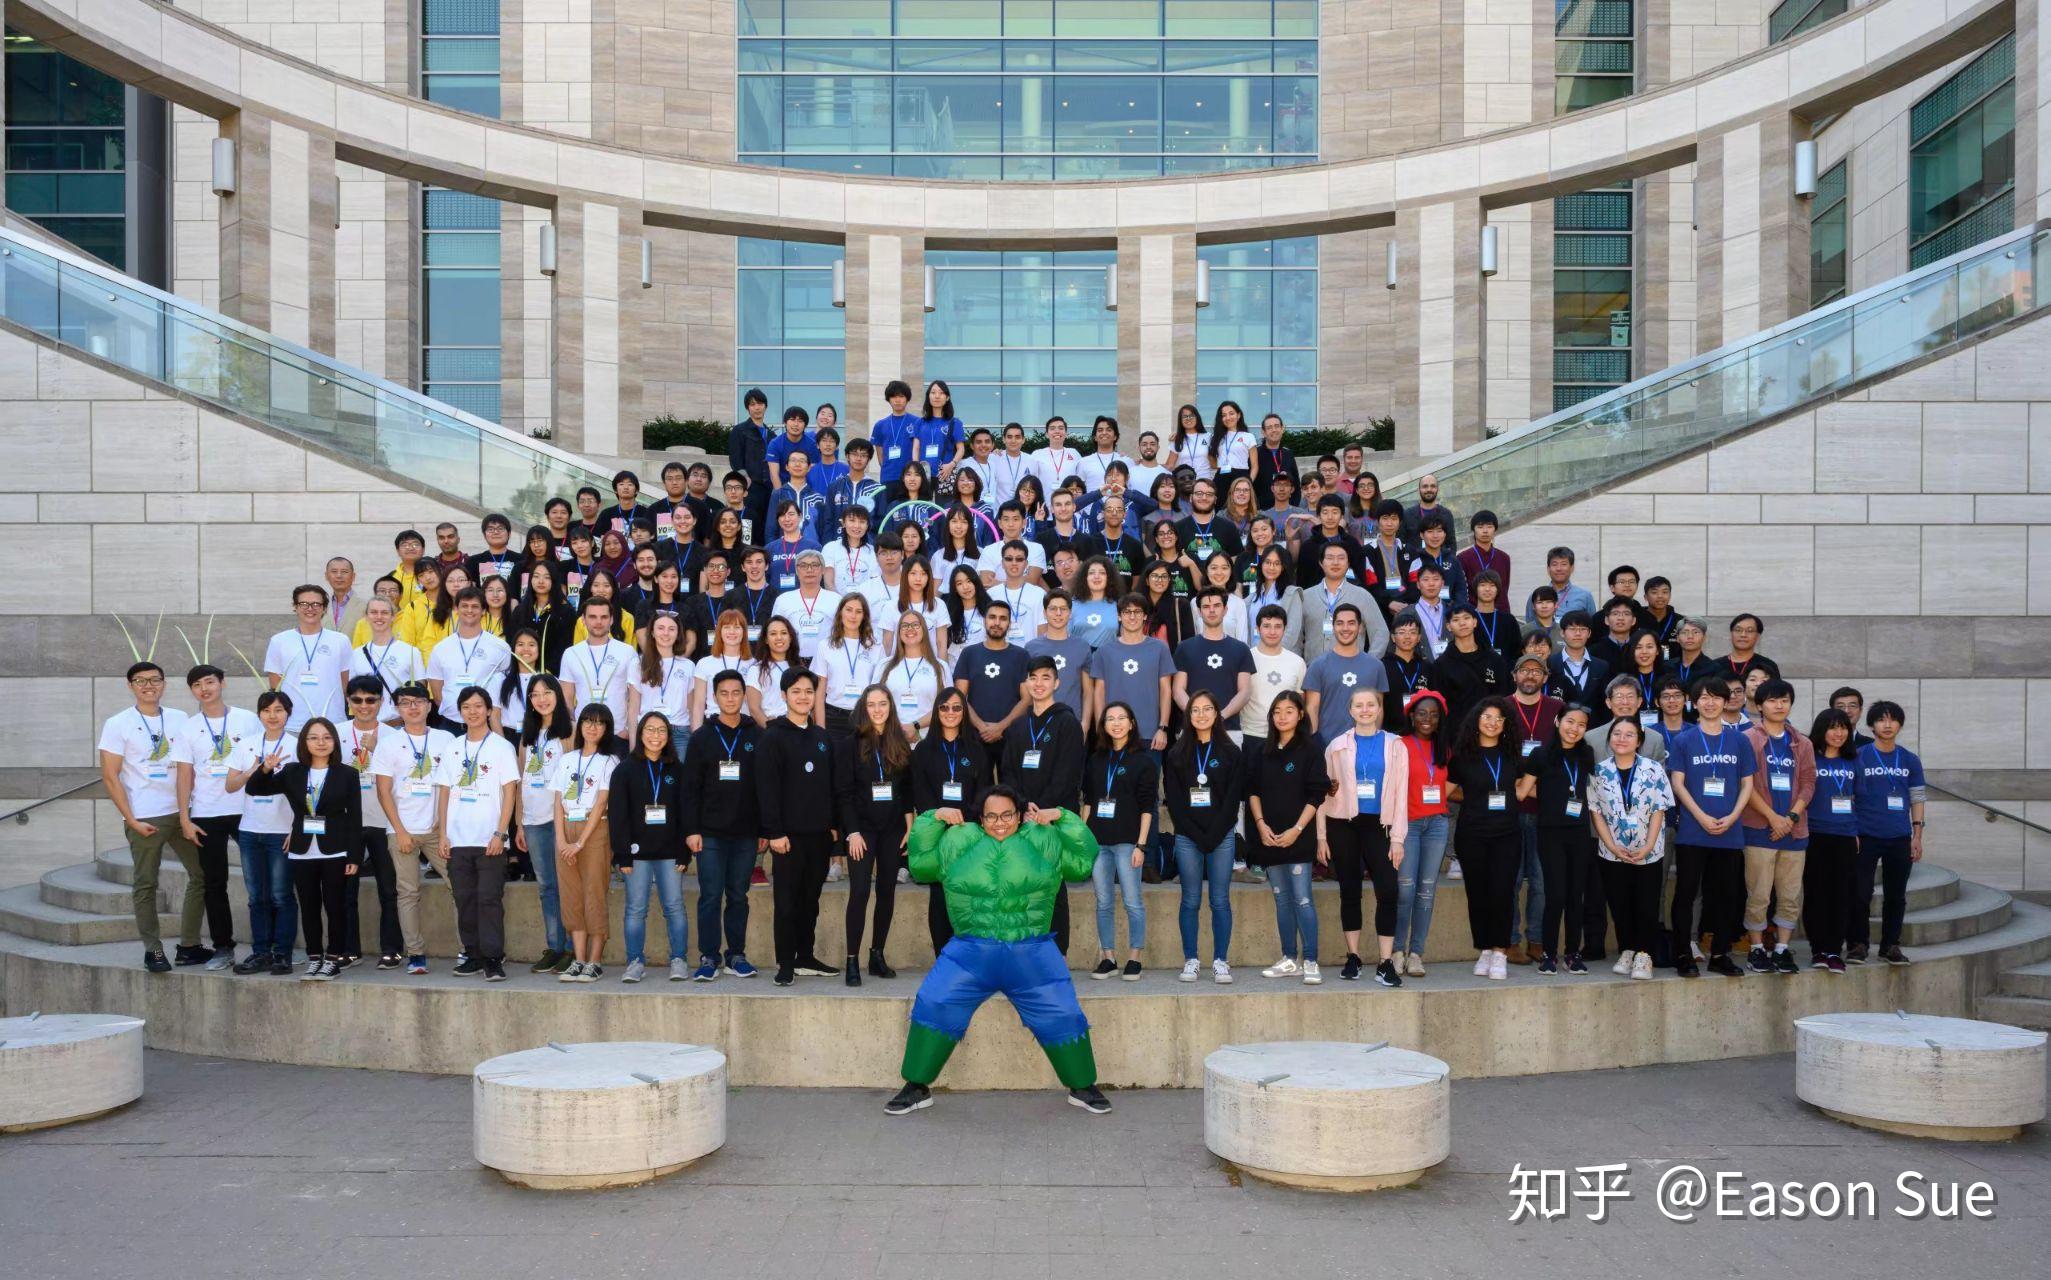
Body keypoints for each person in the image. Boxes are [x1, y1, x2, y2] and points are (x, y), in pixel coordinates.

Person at [888, 790, 1108, 1116]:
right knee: (934, 1002)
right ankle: (916, 1086)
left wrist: (1064, 817)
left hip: (1032, 951)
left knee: (1063, 1012)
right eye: (991, 816)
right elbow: (920, 866)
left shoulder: (1043, 839)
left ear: (1019, 815)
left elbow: (1082, 862)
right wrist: (932, 818)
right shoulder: (957, 841)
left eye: (1007, 815)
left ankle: (1083, 1086)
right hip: (971, 951)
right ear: (980, 819)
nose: (999, 823)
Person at [99, 661, 201, 973]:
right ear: (130, 685)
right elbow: (110, 777)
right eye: (141, 681)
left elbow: (189, 764)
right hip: (144, 816)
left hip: (181, 812)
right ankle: (153, 950)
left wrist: (189, 811)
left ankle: (189, 946)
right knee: (146, 884)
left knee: (202, 876)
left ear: (164, 684)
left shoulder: (179, 718)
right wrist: (130, 819)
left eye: (155, 680)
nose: (148, 686)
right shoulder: (118, 723)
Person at [245, 717, 362, 982]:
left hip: (335, 850)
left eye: (326, 737)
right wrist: (266, 768)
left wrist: (355, 855)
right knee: (309, 907)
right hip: (301, 849)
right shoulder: (292, 771)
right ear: (304, 742)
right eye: (313, 737)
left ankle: (333, 959)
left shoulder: (347, 773)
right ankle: (314, 958)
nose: (321, 743)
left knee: (335, 906)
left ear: (335, 742)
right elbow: (255, 789)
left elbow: (355, 818)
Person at [1315, 688, 1410, 985]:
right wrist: (1321, 837)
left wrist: (1398, 838)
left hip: (1380, 825)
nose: (1365, 709)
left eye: (1371, 704)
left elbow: (1401, 795)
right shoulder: (1336, 746)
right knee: (1349, 889)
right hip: (1343, 824)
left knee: (1388, 890)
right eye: (1359, 705)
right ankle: (1353, 957)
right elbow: (1323, 792)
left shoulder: (1396, 745)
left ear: (1380, 708)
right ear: (1351, 710)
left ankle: (1385, 962)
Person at [171, 664, 260, 971]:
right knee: (214, 882)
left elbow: (261, 761)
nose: (204, 689)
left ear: (223, 683)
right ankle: (223, 947)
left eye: (209, 682)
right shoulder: (188, 728)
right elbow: (184, 775)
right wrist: (185, 818)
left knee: (259, 881)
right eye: (197, 685)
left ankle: (270, 946)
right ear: (192, 691)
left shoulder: (247, 719)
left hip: (247, 809)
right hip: (207, 812)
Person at [1666, 678, 1756, 979]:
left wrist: (1732, 816)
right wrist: (1701, 816)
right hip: (1693, 830)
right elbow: (1677, 783)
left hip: (1730, 831)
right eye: (1703, 697)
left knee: (1726, 895)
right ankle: (1683, 954)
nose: (1710, 702)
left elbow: (1747, 784)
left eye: (1716, 697)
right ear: (1694, 703)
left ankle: (1720, 954)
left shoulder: (1740, 740)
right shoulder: (1684, 740)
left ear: (1726, 702)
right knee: (1686, 893)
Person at [757, 669, 841, 985]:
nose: (803, 697)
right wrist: (775, 832)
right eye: (796, 691)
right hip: (787, 838)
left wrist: (833, 827)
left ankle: (805, 956)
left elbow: (831, 786)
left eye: (808, 691)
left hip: (818, 836)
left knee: (810, 901)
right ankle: (785, 963)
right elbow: (766, 789)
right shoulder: (772, 737)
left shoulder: (822, 738)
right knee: (787, 903)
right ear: (784, 695)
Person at [679, 670, 763, 982]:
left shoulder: (756, 735)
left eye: (736, 693)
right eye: (724, 693)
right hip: (710, 833)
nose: (730, 698)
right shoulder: (702, 737)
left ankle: (736, 955)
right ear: (714, 697)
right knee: (711, 896)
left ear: (744, 696)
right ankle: (709, 956)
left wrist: (764, 830)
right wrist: (692, 830)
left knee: (738, 896)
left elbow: (765, 787)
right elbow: (690, 788)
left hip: (746, 833)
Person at [432, 686, 520, 981]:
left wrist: (500, 834)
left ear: (488, 710)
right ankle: (472, 955)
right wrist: (443, 834)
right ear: (460, 712)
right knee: (465, 899)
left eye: (479, 706)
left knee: (489, 899)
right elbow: (445, 792)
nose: (473, 711)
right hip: (457, 839)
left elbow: (510, 793)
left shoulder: (501, 747)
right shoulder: (452, 747)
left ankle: (493, 958)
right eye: (467, 707)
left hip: (489, 839)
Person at [998, 656, 1085, 952]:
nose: (1038, 683)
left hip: (1052, 820)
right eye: (1033, 677)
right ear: (1026, 683)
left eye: (1045, 677)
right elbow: (1008, 771)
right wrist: (1022, 807)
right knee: (1023, 886)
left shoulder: (1067, 723)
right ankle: (1027, 951)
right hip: (1022, 819)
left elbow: (1067, 774)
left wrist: (1042, 810)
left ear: (1056, 683)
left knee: (1052, 888)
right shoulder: (1018, 727)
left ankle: (1056, 954)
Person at [836, 687, 916, 984]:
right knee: (859, 892)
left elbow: (906, 789)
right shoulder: (850, 745)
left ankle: (876, 955)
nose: (878, 710)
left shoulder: (900, 742)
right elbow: (844, 793)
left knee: (887, 892)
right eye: (871, 705)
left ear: (891, 707)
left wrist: (909, 826)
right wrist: (852, 832)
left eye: (883, 704)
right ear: (863, 708)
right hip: (862, 831)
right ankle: (852, 960)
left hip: (892, 829)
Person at [1247, 692, 1328, 983]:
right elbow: (1252, 790)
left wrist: (1297, 830)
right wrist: (1260, 826)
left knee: (1302, 899)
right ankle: (1289, 958)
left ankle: (1311, 960)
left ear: (1300, 714)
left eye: (1289, 711)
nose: (1282, 716)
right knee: (1281, 899)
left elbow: (1316, 794)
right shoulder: (1262, 750)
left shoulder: (1311, 749)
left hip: (1298, 837)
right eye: (1277, 711)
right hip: (1269, 838)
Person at [1163, 690, 1243, 984]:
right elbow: (1174, 801)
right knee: (1190, 900)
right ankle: (1191, 960)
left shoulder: (1231, 752)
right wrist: (1196, 834)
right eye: (1195, 710)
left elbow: (1233, 800)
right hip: (1188, 837)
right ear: (1188, 715)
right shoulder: (1176, 754)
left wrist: (1214, 834)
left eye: (1207, 709)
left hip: (1222, 836)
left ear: (1217, 713)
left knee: (1220, 900)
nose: (1201, 715)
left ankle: (1221, 960)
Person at [1590, 716, 1673, 981]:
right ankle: (1627, 949)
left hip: (1648, 852)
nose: (1622, 739)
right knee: (1619, 904)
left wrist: (1648, 845)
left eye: (1629, 734)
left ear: (1639, 741)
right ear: (1609, 739)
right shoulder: (1599, 771)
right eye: (1617, 734)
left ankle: (1644, 954)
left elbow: (1660, 809)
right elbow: (1596, 812)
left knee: (1646, 904)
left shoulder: (1653, 769)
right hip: (1612, 851)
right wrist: (1611, 846)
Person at [1515, 703, 1596, 975]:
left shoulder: (1587, 754)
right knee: (1556, 894)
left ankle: (1572, 954)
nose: (1575, 729)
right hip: (1550, 833)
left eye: (1581, 725)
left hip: (1580, 832)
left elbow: (1591, 791)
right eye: (1570, 722)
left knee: (1575, 895)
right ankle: (1549, 954)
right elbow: (1523, 791)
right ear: (1558, 722)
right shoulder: (1541, 754)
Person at [609, 712, 689, 983]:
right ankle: (635, 962)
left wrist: (684, 850)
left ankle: (678, 959)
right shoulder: (625, 770)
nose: (656, 736)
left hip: (670, 853)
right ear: (641, 733)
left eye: (662, 730)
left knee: (674, 907)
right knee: (635, 909)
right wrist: (622, 854)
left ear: (669, 736)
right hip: (636, 855)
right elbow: (618, 815)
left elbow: (685, 813)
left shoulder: (677, 770)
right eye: (650, 730)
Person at [1741, 679, 1815, 974]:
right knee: (1758, 894)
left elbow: (1809, 783)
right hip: (1759, 829)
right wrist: (1773, 818)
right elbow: (1746, 784)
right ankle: (1757, 949)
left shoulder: (1803, 742)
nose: (1779, 705)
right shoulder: (1747, 739)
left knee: (1790, 895)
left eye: (1784, 700)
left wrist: (1791, 818)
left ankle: (1783, 949)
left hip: (1794, 832)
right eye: (1772, 700)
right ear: (1759, 705)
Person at [910, 688, 991, 953]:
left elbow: (984, 793)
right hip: (937, 834)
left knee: (969, 897)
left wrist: (967, 823)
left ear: (964, 712)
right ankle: (943, 957)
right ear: (936, 712)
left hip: (969, 834)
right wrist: (939, 815)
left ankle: (967, 957)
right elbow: (920, 793)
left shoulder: (977, 749)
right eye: (944, 707)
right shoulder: (923, 750)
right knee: (939, 897)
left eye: (957, 707)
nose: (950, 713)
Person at [1448, 696, 1520, 980]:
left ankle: (1500, 951)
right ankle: (1485, 949)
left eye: (1499, 719)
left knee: (1502, 892)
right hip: (1472, 834)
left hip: (1507, 834)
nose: (1493, 723)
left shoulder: (1513, 754)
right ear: (1476, 720)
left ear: (1505, 725)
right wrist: (1472, 797)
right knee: (1477, 894)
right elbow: (1446, 791)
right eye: (1487, 717)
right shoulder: (1462, 755)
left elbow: (1521, 788)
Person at [1848, 701, 1924, 967]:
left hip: (1899, 836)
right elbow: (1849, 795)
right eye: (1881, 720)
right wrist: (1851, 830)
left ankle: (1890, 945)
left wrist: (1917, 835)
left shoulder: (1910, 759)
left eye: (1893, 720)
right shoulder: (1859, 756)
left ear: (1900, 724)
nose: (1887, 725)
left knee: (1896, 896)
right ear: (1872, 725)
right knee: (1860, 893)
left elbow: (1917, 798)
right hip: (1865, 835)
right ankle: (1857, 944)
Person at [336, 676, 401, 969]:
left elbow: (403, 778)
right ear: (349, 702)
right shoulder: (335, 732)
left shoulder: (393, 737)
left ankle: (392, 949)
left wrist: (377, 750)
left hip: (383, 821)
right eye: (357, 700)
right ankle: (349, 949)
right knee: (345, 891)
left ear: (381, 702)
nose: (364, 706)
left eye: (371, 700)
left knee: (389, 889)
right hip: (346, 823)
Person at [512, 673, 573, 974]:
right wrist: (519, 824)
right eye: (535, 694)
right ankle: (555, 947)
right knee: (547, 887)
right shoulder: (527, 735)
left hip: (561, 820)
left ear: (558, 695)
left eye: (547, 692)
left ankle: (573, 949)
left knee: (567, 885)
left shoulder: (569, 732)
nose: (541, 699)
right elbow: (521, 781)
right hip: (534, 821)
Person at [1389, 688, 1452, 977]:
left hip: (1437, 825)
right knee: (1405, 889)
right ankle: (1396, 950)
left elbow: (1448, 785)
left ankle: (1416, 953)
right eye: (1422, 713)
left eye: (1434, 715)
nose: (1428, 719)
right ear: (1412, 716)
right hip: (1408, 825)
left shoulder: (1445, 749)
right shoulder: (1398, 745)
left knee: (1427, 890)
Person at [1802, 707, 1859, 975]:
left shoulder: (1853, 761)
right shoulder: (1810, 759)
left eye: (1843, 727)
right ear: (1822, 730)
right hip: (1814, 834)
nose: (1839, 733)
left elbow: (1860, 799)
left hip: (1845, 835)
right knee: (1816, 893)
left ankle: (1835, 950)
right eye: (1833, 727)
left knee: (1841, 895)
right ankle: (1818, 950)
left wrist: (1856, 832)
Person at [263, 584, 353, 731]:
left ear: (325, 608)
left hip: (333, 722)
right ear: (295, 607)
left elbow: (345, 684)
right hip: (292, 723)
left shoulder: (340, 641)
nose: (310, 608)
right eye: (304, 604)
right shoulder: (279, 641)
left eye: (316, 604)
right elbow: (275, 687)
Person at [1173, 585, 1255, 734]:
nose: (1211, 610)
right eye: (1206, 607)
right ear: (1199, 612)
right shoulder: (1184, 648)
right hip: (1192, 729)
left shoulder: (1241, 649)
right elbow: (1178, 690)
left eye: (1217, 606)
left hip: (1229, 729)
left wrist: (1220, 717)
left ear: (1225, 610)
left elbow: (1245, 691)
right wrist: (1198, 716)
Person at [1303, 604, 1389, 745]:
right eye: (1340, 623)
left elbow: (1379, 710)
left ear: (1360, 627)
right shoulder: (1318, 665)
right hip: (1327, 745)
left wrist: (1374, 742)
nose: (1345, 628)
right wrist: (1313, 745)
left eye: (1351, 623)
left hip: (1365, 745)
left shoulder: (1376, 666)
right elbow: (1312, 708)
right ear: (1333, 627)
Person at [425, 587, 512, 726]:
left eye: (475, 606)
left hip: (487, 725)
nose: (469, 610)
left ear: (483, 611)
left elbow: (506, 684)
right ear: (456, 609)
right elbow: (437, 692)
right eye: (464, 606)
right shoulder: (441, 648)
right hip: (450, 723)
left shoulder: (500, 647)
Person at [563, 598, 638, 722]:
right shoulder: (570, 654)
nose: (598, 622)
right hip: (583, 729)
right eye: (592, 617)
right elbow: (567, 698)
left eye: (604, 617)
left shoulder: (628, 652)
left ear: (611, 620)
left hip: (618, 729)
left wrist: (628, 729)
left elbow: (635, 699)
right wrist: (573, 727)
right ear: (583, 620)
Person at [1524, 547, 1596, 624]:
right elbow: (1530, 626)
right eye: (1554, 564)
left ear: (1572, 568)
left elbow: (1592, 625)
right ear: (1548, 569)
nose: (1559, 568)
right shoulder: (1536, 596)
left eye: (1563, 564)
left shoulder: (1585, 596)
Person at [1458, 510, 1510, 600]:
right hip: (1473, 607)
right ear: (1473, 530)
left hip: (1500, 607)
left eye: (1489, 527)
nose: (1485, 531)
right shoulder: (1463, 558)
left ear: (1495, 529)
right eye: (1480, 527)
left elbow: (1504, 589)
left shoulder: (1504, 558)